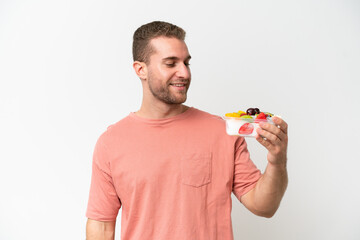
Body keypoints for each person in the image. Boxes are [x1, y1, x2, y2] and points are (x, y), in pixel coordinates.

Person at [86, 21, 288, 240]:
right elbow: (101, 226)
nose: (183, 72)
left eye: (186, 63)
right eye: (171, 63)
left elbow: (264, 207)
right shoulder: (111, 142)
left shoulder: (221, 131)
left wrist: (277, 162)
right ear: (141, 69)